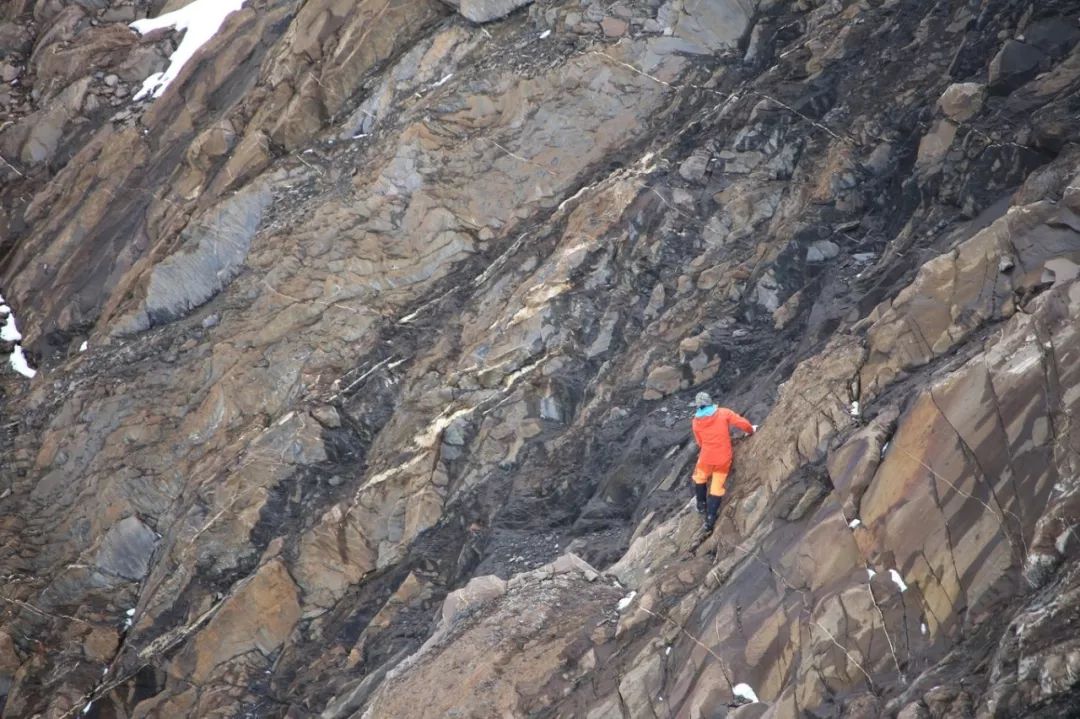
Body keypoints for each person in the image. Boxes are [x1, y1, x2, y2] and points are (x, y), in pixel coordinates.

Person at [690, 391, 755, 532]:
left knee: (700, 477)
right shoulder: (723, 413)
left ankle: (701, 505)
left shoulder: (696, 421)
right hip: (722, 458)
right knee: (716, 486)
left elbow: (700, 442)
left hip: (706, 457)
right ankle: (710, 519)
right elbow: (742, 423)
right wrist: (751, 431)